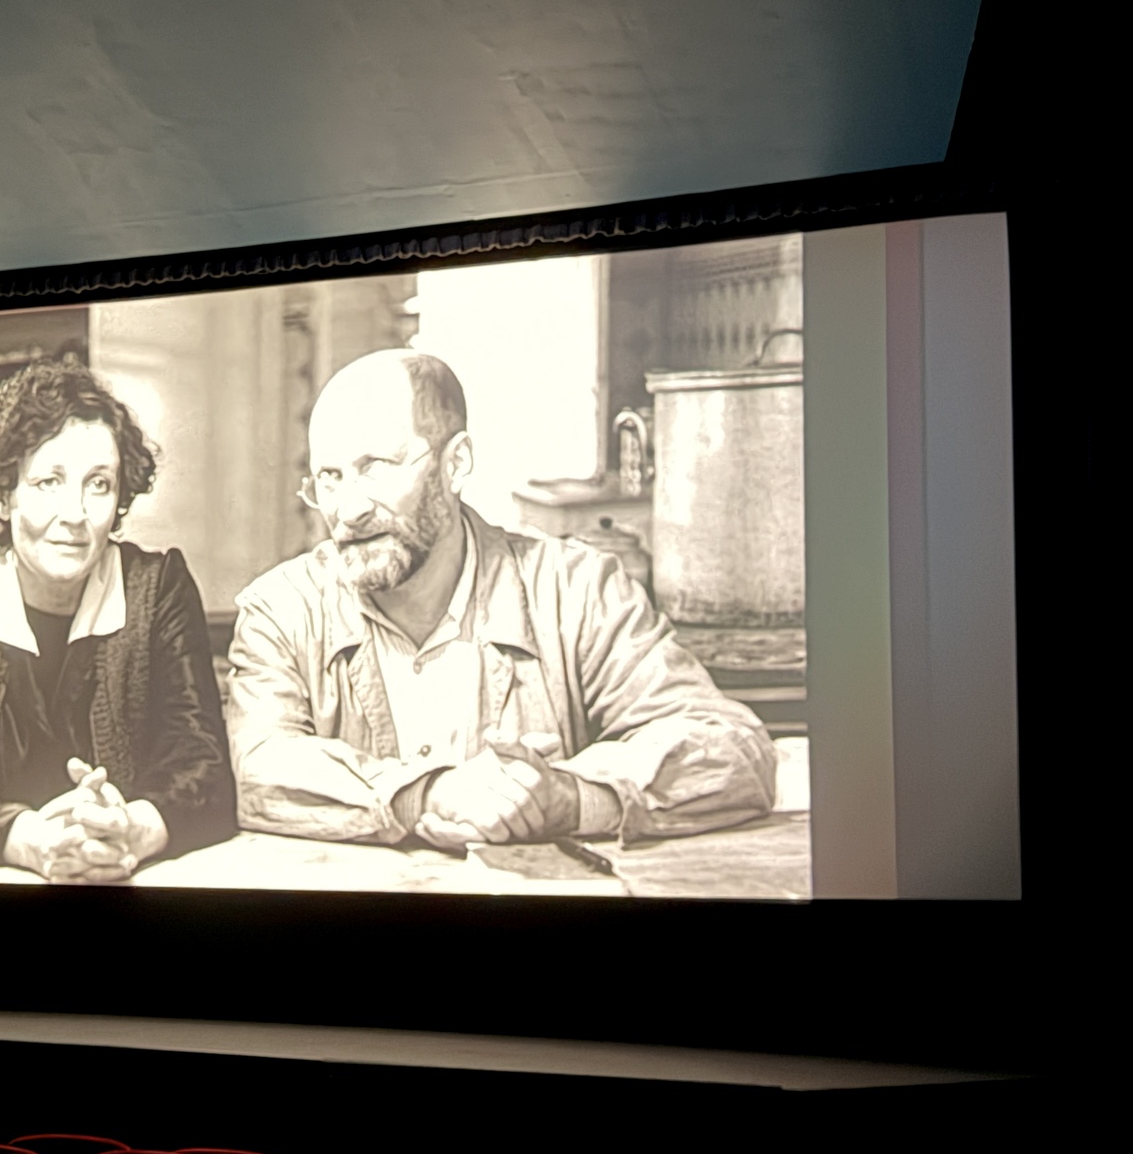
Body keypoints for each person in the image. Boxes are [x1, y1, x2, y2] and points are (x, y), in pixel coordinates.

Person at [226, 349, 776, 849]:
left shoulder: (577, 590)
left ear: (456, 463)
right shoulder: (282, 610)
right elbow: (257, 770)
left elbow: (731, 749)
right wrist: (428, 796)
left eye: (376, 468)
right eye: (329, 478)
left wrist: (571, 799)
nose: (348, 510)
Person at [0, 359, 235, 881]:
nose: (75, 514)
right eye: (48, 481)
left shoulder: (160, 588)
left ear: (119, 499)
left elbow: (206, 769)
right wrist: (33, 842)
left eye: (98, 484)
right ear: (5, 494)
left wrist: (132, 830)